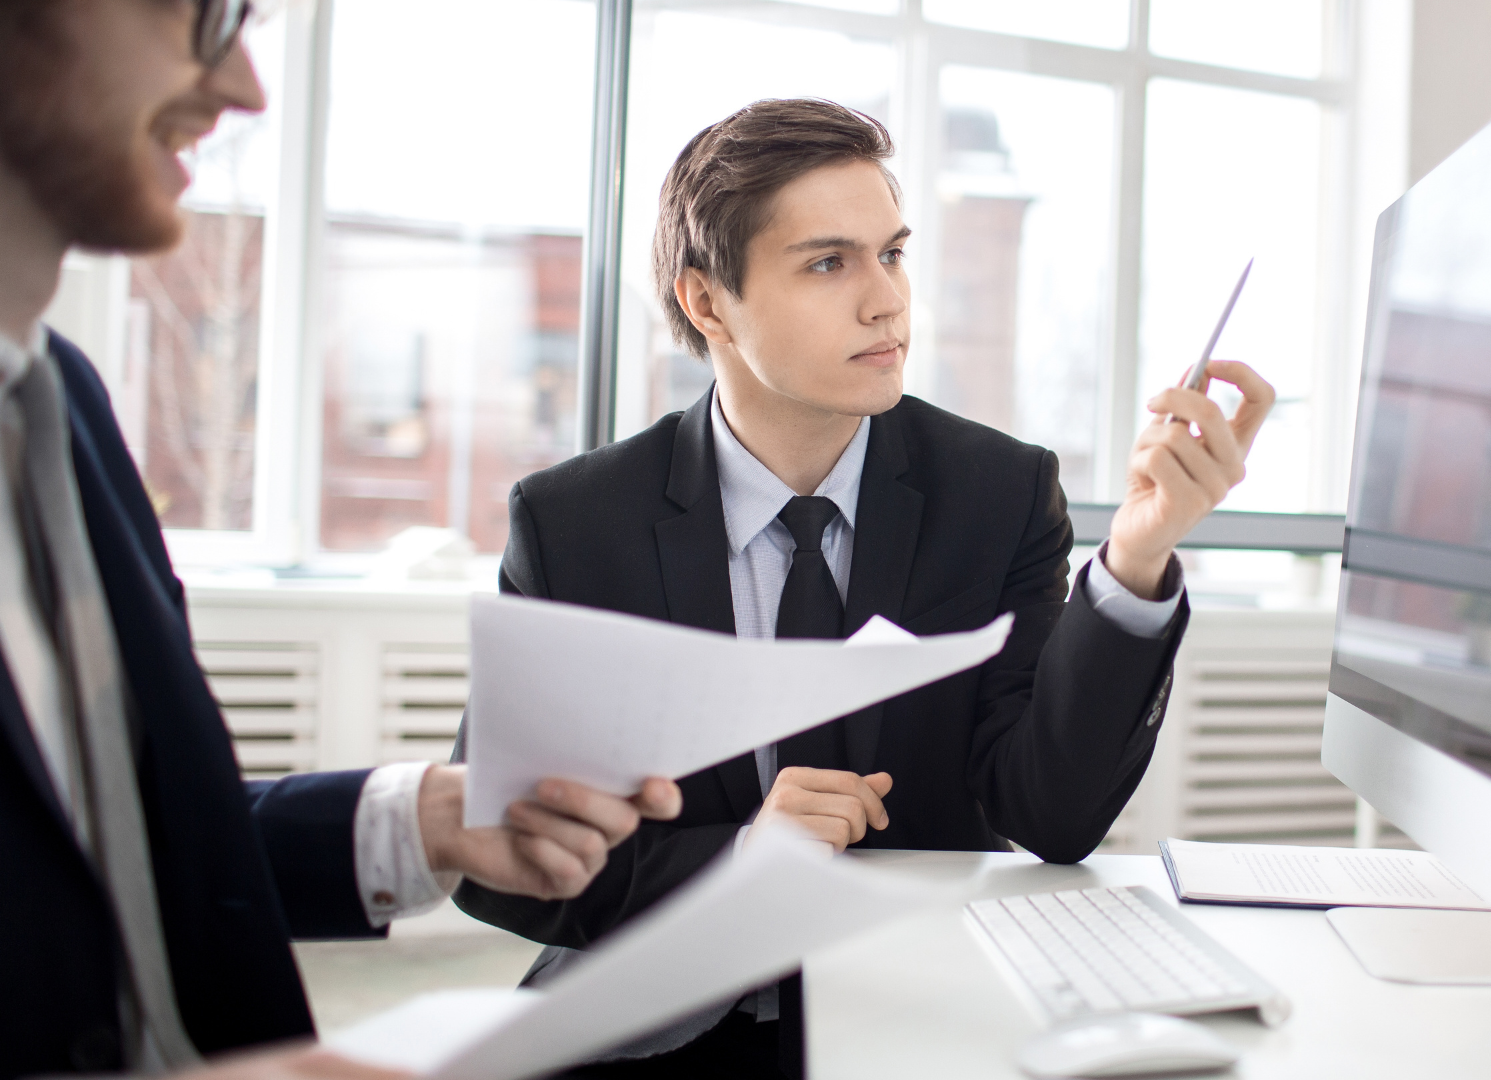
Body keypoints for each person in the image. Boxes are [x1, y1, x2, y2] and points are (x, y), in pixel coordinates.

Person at [449, 98, 1276, 1078]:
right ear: (708, 302)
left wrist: (1136, 562)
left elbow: (1049, 814)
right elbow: (503, 861)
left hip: (918, 1007)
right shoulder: (577, 524)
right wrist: (742, 864)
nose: (887, 301)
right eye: (829, 263)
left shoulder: (998, 491)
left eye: (893, 254)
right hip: (658, 1023)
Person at [0, 3, 685, 1078]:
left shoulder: (63, 407)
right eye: (197, 15)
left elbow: (104, 859)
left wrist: (421, 821)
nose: (243, 92)